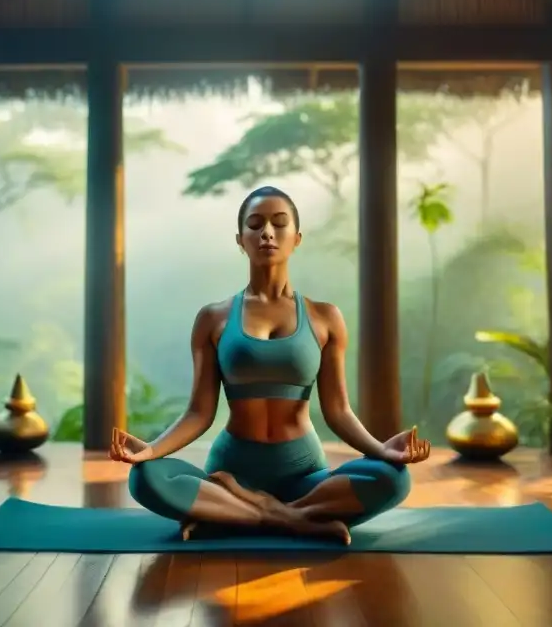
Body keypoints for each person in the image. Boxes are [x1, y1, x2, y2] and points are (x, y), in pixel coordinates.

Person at [109, 186, 431, 544]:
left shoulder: (325, 318)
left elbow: (338, 411)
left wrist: (383, 450)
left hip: (303, 476)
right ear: (240, 239)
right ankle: (295, 520)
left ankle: (236, 513)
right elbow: (199, 414)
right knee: (144, 477)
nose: (267, 233)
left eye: (279, 224)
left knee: (394, 478)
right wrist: (151, 450)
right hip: (231, 470)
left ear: (297, 238)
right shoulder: (213, 318)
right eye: (255, 224)